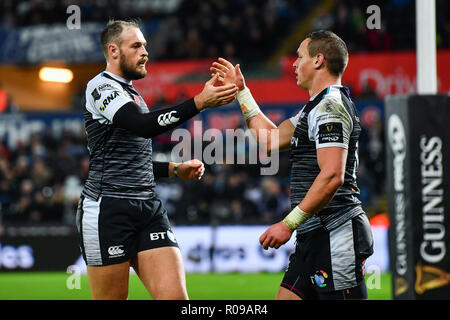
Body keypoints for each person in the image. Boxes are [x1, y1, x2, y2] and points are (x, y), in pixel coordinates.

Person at [77, 19, 238, 300]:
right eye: (136, 45)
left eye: (145, 46)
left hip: (147, 207)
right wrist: (198, 102)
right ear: (113, 51)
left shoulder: (134, 94)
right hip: (108, 209)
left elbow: (133, 160)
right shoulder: (100, 87)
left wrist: (175, 169)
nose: (145, 52)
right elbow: (143, 126)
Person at [211, 30, 374, 300]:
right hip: (315, 234)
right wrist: (242, 92)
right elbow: (271, 140)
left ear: (319, 60)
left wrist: (288, 224)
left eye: (299, 57)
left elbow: (332, 175)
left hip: (337, 233)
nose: (294, 64)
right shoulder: (314, 108)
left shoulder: (330, 108)